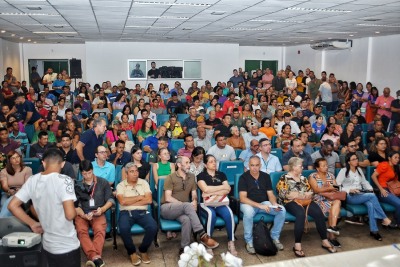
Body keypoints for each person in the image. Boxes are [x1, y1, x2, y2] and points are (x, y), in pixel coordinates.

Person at [8, 149, 80, 267]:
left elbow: (12, 205)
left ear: (43, 163)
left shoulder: (32, 180)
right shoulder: (65, 180)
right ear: (62, 164)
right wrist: (77, 210)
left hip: (47, 245)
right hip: (67, 245)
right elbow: (70, 215)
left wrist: (32, 223)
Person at [276, 157, 337, 257]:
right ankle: (297, 245)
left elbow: (311, 192)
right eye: (300, 166)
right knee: (300, 213)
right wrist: (302, 195)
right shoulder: (284, 178)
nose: (302, 167)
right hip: (290, 202)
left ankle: (324, 240)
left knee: (318, 212)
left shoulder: (303, 178)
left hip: (306, 201)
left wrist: (301, 195)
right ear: (294, 167)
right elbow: (284, 194)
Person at [161, 156, 219, 255]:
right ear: (179, 165)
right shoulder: (170, 177)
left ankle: (184, 248)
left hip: (183, 210)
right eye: (187, 163)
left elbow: (194, 194)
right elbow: (168, 198)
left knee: (186, 220)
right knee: (187, 206)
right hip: (167, 208)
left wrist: (194, 201)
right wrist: (186, 205)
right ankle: (202, 234)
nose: (189, 165)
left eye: (189, 162)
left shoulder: (191, 176)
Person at [336, 152, 397, 241]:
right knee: (372, 196)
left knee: (370, 204)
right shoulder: (343, 171)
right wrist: (349, 190)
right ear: (348, 162)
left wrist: (370, 188)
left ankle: (374, 231)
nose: (356, 161)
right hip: (350, 196)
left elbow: (365, 182)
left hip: (361, 194)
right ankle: (384, 218)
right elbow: (336, 186)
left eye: (356, 159)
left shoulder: (359, 170)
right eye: (353, 159)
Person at [239, 156, 286, 254]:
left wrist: (274, 204)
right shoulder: (243, 177)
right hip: (248, 204)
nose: (254, 168)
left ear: (260, 165)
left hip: (264, 203)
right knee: (248, 212)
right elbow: (243, 198)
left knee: (281, 210)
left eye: (257, 165)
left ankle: (274, 237)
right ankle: (249, 241)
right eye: (252, 165)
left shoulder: (265, 176)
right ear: (249, 165)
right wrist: (259, 206)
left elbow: (270, 194)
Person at [74, 160, 114, 267]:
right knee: (81, 231)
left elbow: (111, 199)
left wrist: (102, 209)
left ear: (92, 170)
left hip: (98, 212)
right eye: (84, 174)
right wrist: (83, 215)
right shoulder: (77, 185)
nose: (87, 176)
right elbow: (75, 206)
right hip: (83, 213)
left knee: (100, 230)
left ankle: (93, 257)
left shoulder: (102, 182)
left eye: (89, 173)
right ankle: (96, 257)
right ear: (81, 173)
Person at [116, 163, 158, 265]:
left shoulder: (144, 183)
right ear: (126, 174)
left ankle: (143, 250)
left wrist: (130, 200)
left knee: (153, 227)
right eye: (132, 171)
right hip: (126, 213)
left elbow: (148, 200)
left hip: (143, 212)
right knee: (123, 228)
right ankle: (132, 252)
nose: (135, 174)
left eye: (136, 171)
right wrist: (139, 197)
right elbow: (122, 202)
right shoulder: (121, 185)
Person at [197, 155, 237, 256]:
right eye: (211, 162)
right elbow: (205, 190)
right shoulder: (201, 175)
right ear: (205, 165)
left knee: (229, 213)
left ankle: (231, 241)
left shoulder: (221, 174)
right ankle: (208, 243)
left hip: (220, 202)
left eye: (214, 161)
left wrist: (212, 191)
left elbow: (228, 189)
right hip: (207, 204)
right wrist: (221, 188)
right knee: (211, 214)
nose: (214, 163)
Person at [308, 158, 342, 248]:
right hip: (318, 200)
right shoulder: (313, 176)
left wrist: (324, 189)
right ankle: (332, 236)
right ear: (318, 168)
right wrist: (328, 188)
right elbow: (316, 190)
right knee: (332, 207)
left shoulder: (331, 175)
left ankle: (333, 227)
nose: (326, 167)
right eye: (323, 166)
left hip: (330, 199)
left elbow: (336, 188)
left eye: (326, 165)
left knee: (337, 201)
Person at [371, 151, 400, 227]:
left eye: (398, 158)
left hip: (392, 190)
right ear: (389, 158)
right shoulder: (384, 165)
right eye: (395, 157)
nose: (397, 159)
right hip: (383, 190)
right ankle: (397, 222)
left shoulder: (395, 167)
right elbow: (373, 176)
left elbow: (395, 182)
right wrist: (381, 189)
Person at [0, 151, 32, 217]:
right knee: (3, 203)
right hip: (9, 192)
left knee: (9, 202)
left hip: (23, 192)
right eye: (13, 158)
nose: (16, 159)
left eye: (17, 157)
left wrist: (18, 192)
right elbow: (4, 186)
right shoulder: (3, 171)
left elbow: (27, 185)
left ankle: (2, 220)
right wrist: (9, 190)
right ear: (9, 160)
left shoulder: (27, 169)